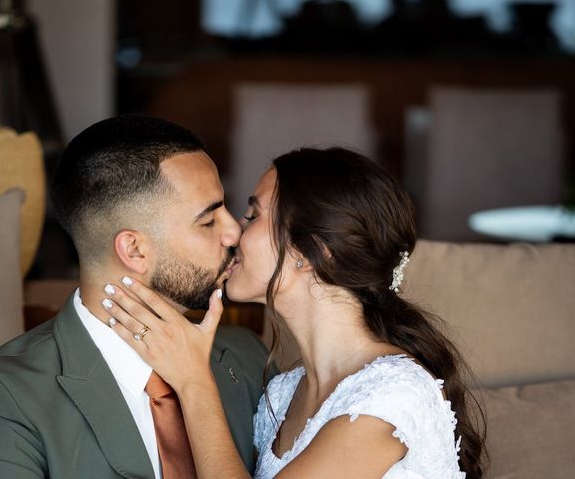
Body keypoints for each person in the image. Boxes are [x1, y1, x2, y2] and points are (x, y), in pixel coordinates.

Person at [104, 147, 487, 478]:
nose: (234, 234)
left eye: (253, 216)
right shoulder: (284, 392)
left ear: (310, 252)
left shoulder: (393, 396)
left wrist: (193, 380)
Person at [0, 115, 271, 478]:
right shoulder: (5, 397)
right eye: (208, 220)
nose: (234, 232)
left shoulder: (248, 357)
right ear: (133, 250)